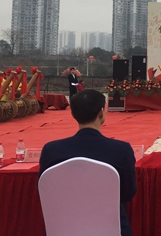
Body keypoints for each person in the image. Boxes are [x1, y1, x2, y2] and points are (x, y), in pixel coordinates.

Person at [39, 89, 137, 236]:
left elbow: (44, 191)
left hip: (63, 229)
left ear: (73, 114)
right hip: (110, 230)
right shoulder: (121, 150)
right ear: (101, 113)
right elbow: (128, 193)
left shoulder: (51, 151)